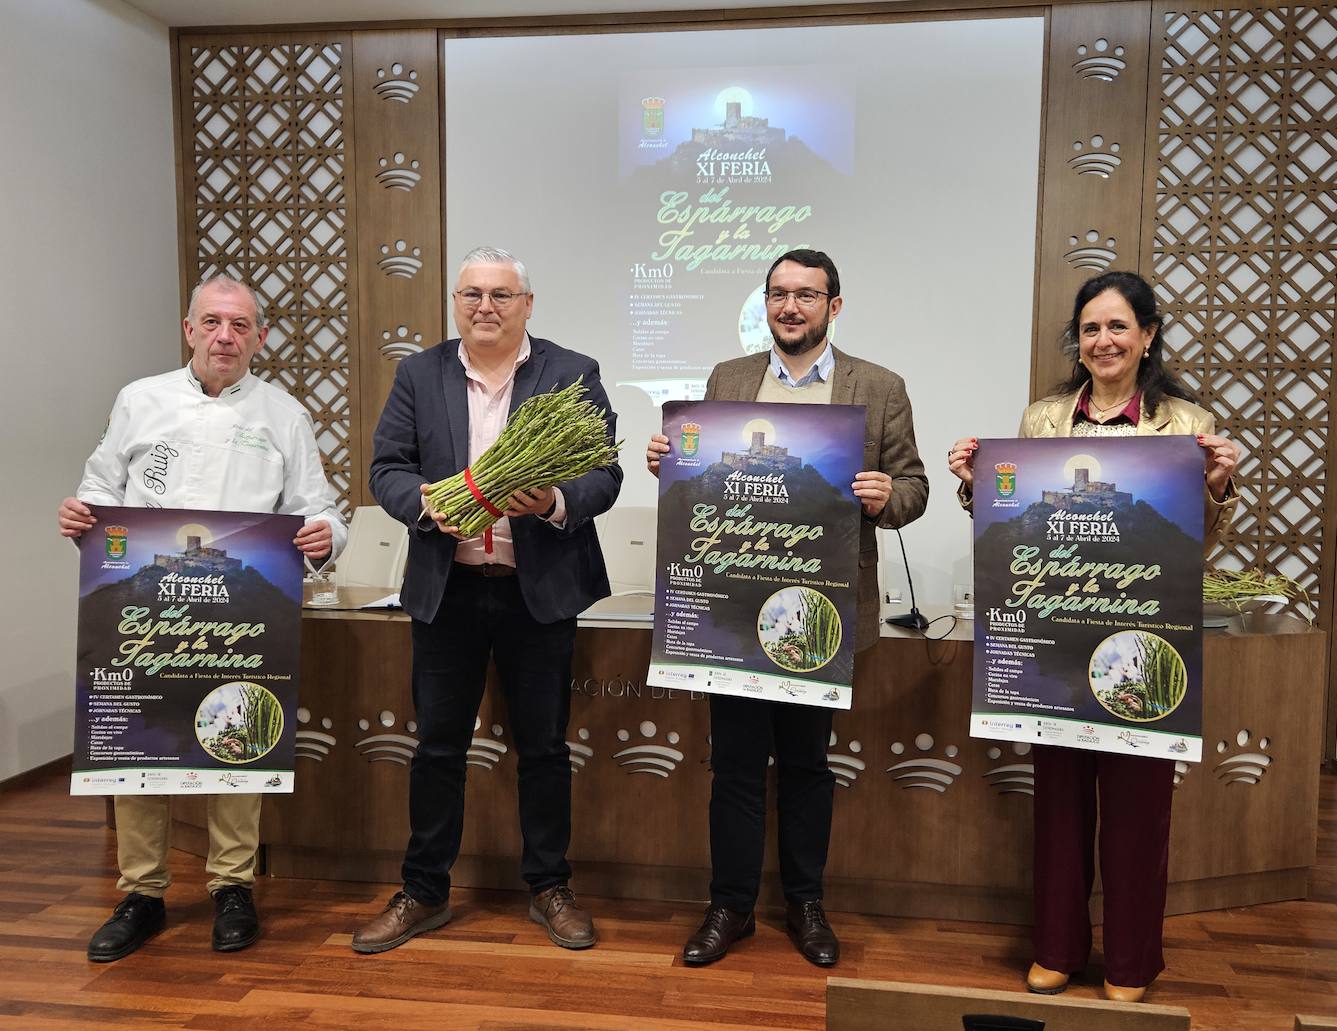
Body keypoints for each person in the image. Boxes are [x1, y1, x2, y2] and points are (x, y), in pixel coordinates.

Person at [947, 269, 1240, 1003]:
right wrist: (971, 483)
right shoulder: (1043, 419)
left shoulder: (1184, 422)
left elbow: (1197, 543)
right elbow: (1020, 526)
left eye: (1117, 326)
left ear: (1146, 336)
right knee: (1060, 799)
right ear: (1076, 343)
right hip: (1057, 637)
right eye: (1089, 329)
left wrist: (1217, 487)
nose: (1102, 340)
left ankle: (1131, 961)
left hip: (1147, 633)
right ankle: (1056, 946)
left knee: (1141, 810)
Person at [645, 248, 928, 967]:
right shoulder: (728, 378)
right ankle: (730, 905)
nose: (790, 307)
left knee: (806, 764)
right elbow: (706, 478)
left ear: (835, 305)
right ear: (764, 303)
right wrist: (671, 461)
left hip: (820, 611)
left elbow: (915, 485)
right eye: (778, 294)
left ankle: (805, 903)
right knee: (735, 766)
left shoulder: (880, 386)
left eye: (807, 295)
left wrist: (884, 497)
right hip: (734, 608)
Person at [57, 274, 346, 962]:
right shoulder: (140, 399)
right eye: (213, 322)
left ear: (261, 338)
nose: (226, 336)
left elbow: (323, 507)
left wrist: (324, 536)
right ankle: (141, 892)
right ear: (189, 329)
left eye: (241, 325)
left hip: (242, 610)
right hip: (142, 605)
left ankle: (232, 886)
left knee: (235, 738)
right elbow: (100, 489)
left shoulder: (285, 414)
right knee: (138, 740)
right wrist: (81, 513)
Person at [355, 246, 622, 954]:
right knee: (438, 747)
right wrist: (424, 504)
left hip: (538, 594)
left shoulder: (572, 372)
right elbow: (386, 467)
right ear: (455, 302)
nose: (485, 307)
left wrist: (558, 499)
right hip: (448, 592)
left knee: (542, 747)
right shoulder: (420, 372)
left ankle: (549, 887)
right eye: (472, 293)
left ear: (527, 304)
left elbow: (606, 470)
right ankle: (424, 890)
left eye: (501, 295)